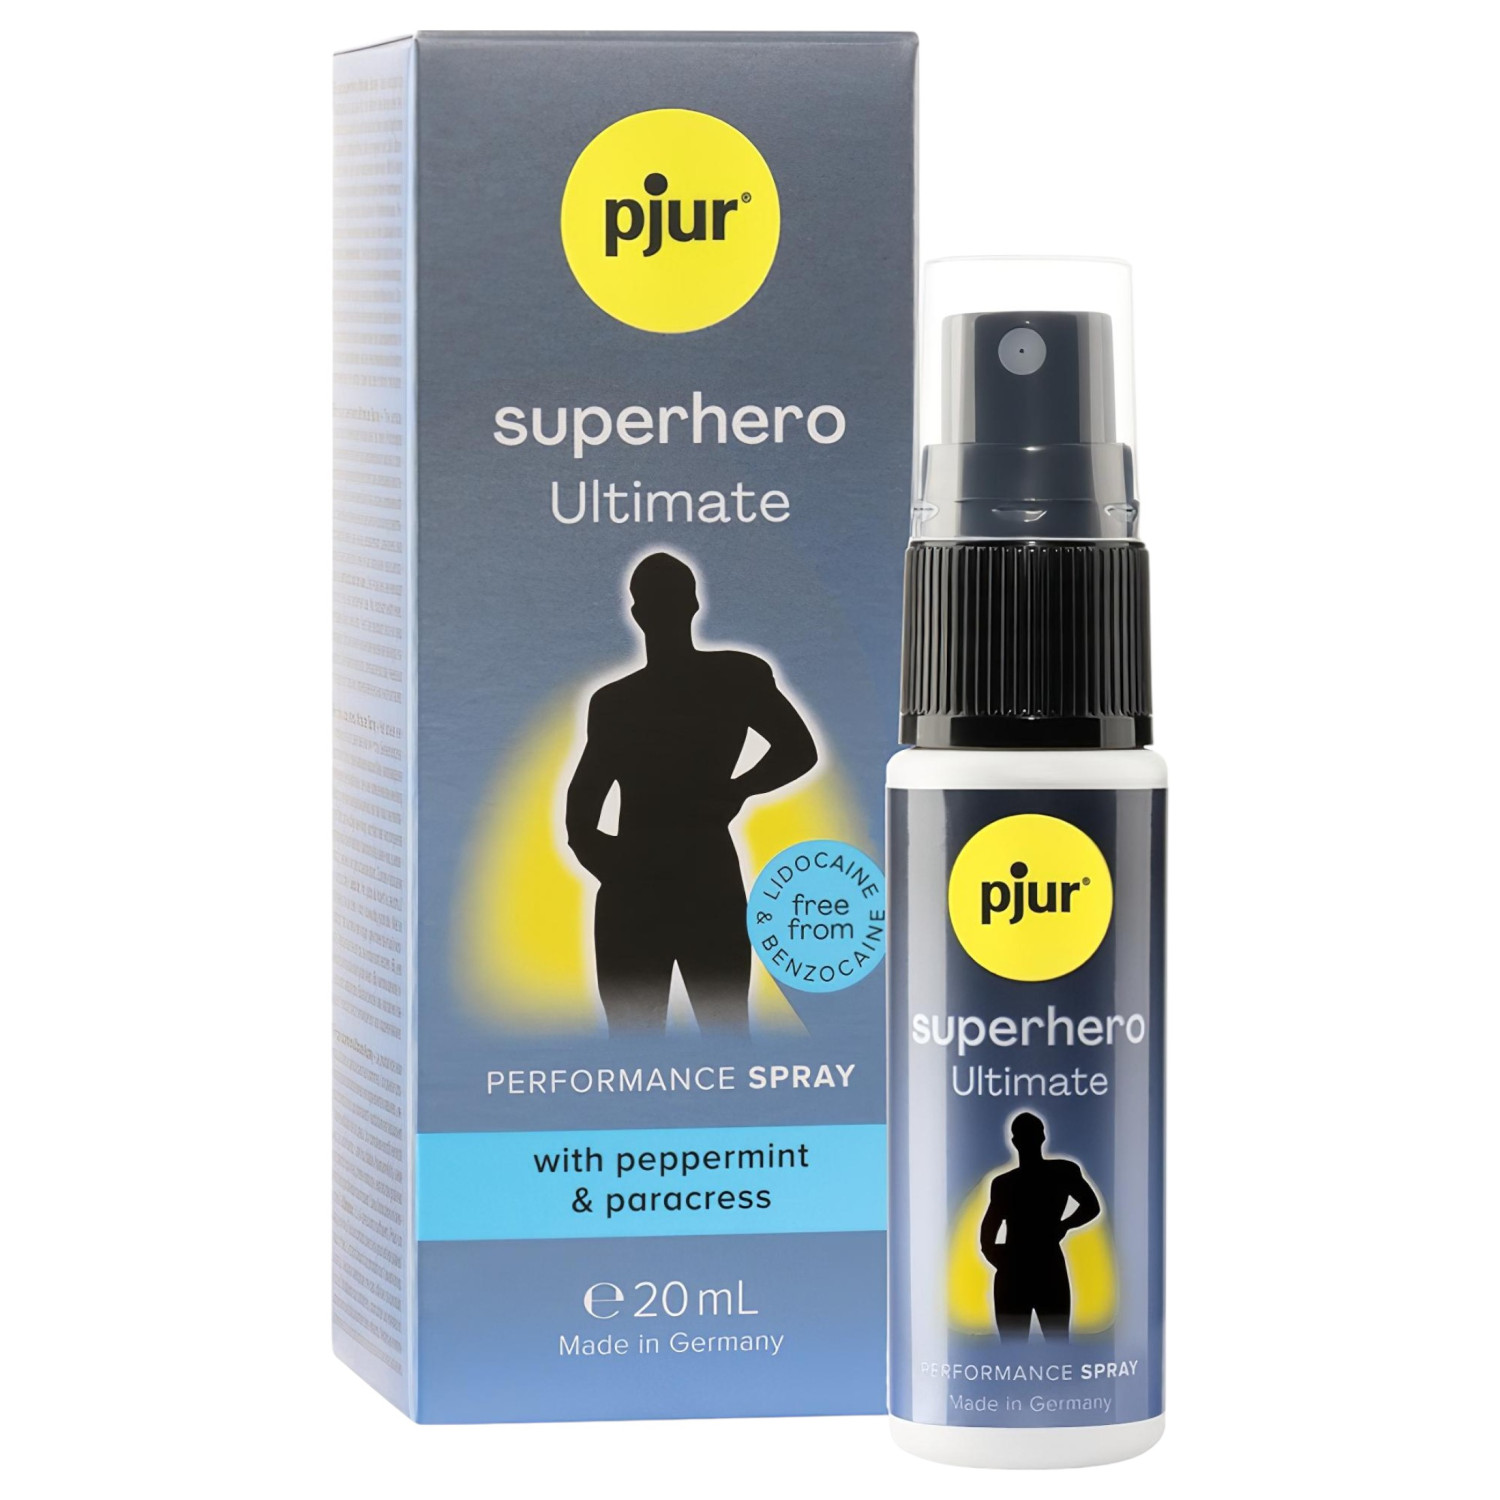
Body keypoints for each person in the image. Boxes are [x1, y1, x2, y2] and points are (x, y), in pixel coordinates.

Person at [565, 553, 817, 1033]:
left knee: (714, 1029)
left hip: (692, 879)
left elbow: (798, 750)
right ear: (689, 605)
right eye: (659, 602)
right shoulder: (618, 703)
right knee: (649, 1038)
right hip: (662, 882)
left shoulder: (732, 677)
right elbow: (582, 810)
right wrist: (617, 871)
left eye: (668, 601)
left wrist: (737, 790)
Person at [979, 1111, 1102, 1341]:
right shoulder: (1004, 1183)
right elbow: (988, 1231)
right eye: (1025, 1135)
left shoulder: (1062, 1171)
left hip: (1044, 1265)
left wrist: (1064, 1225)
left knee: (1054, 1338)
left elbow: (1091, 1206)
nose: (1028, 1141)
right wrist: (1000, 1260)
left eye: (1031, 1135)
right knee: (1017, 1342)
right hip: (1019, 1267)